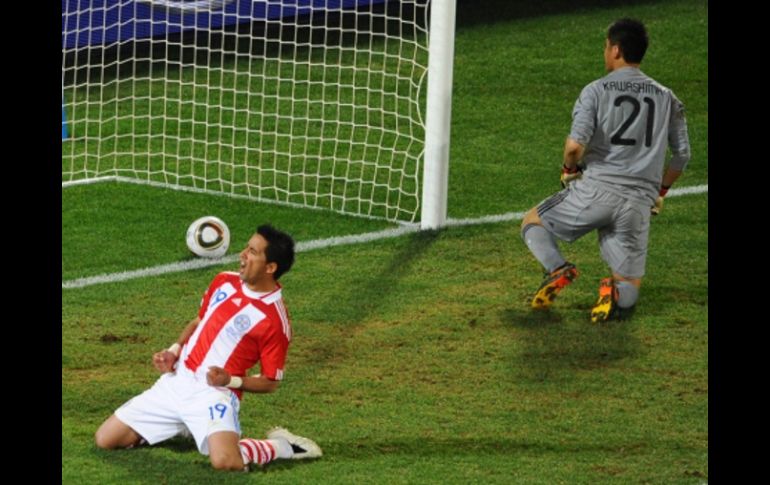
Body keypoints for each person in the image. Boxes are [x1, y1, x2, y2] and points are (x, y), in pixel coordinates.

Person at [94, 224, 322, 471]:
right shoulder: (225, 280)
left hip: (213, 394)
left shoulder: (274, 321)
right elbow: (200, 320)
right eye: (246, 247)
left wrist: (229, 381)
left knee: (226, 462)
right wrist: (174, 350)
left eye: (253, 251)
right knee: (106, 439)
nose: (242, 254)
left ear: (270, 268)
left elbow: (271, 380)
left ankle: (282, 445)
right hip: (177, 380)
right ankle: (186, 425)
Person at [520, 18, 691, 322]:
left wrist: (568, 170)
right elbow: (682, 156)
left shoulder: (595, 91)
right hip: (638, 202)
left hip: (596, 191)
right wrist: (660, 192)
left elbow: (574, 147)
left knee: (533, 222)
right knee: (630, 288)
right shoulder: (667, 97)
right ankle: (613, 293)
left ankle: (558, 269)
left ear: (615, 49)